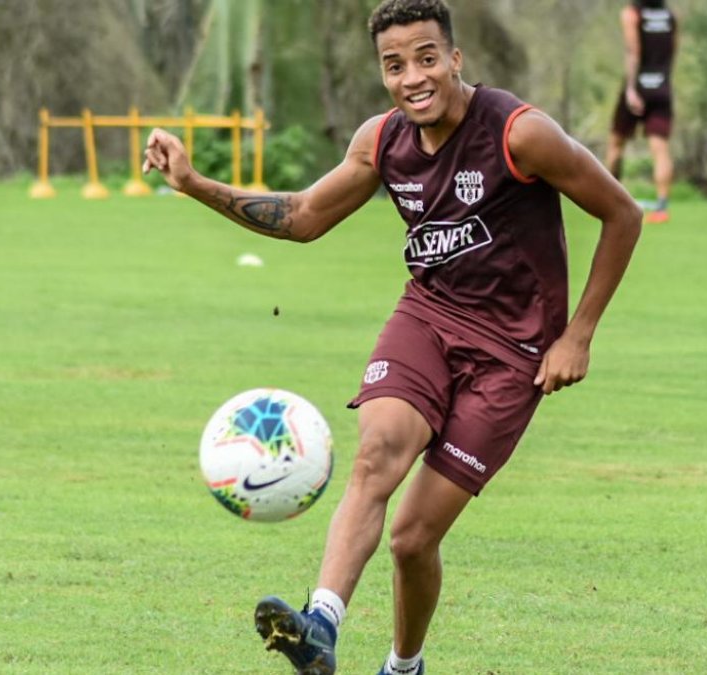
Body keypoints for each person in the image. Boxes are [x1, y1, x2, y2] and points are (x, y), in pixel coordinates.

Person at [143, 1, 643, 673]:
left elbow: (622, 214)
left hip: (511, 356)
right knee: (377, 451)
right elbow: (302, 215)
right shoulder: (383, 141)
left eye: (427, 58)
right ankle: (321, 621)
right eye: (395, 64)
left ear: (455, 59)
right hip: (427, 319)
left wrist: (577, 335)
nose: (413, 77)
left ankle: (405, 666)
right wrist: (192, 183)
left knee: (412, 539)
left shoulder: (520, 134)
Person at [604, 0, 678, 225]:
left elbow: (633, 51)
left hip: (638, 88)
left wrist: (631, 89)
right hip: (662, 87)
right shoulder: (670, 16)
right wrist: (662, 82)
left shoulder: (632, 14)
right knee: (660, 149)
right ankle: (662, 207)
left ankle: (607, 201)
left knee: (616, 144)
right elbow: (671, 53)